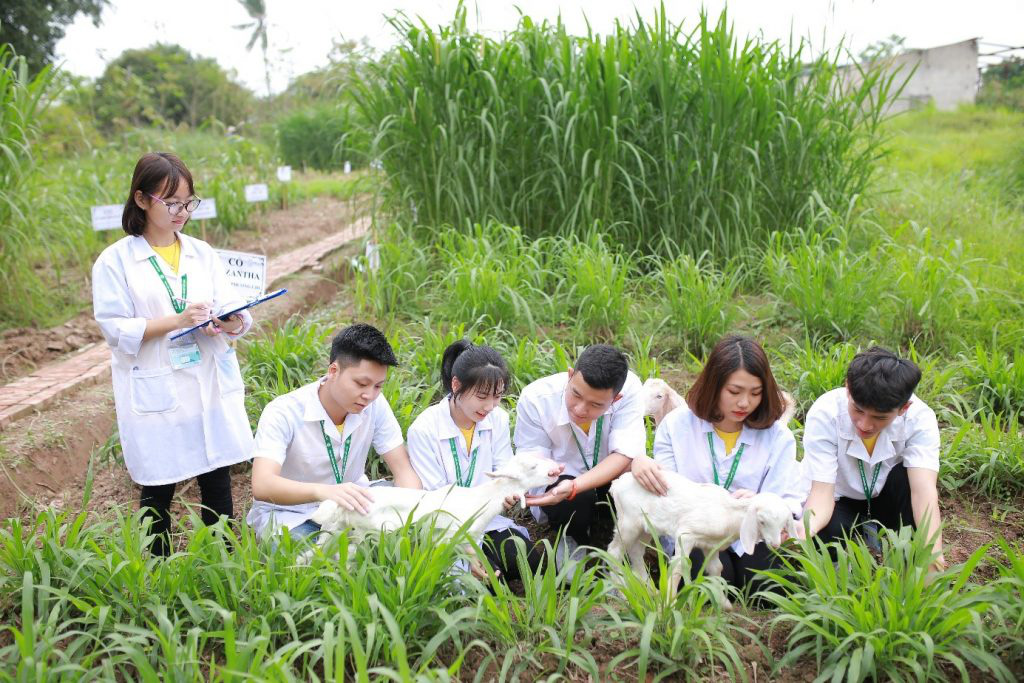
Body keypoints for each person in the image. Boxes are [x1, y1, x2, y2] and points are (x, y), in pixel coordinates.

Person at [92, 152, 253, 556]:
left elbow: (236, 309)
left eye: (188, 202)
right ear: (143, 200)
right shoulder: (116, 261)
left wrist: (231, 321)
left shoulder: (202, 252)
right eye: (172, 202)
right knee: (159, 479)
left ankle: (223, 561)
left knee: (217, 472)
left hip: (207, 376)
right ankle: (158, 569)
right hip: (157, 382)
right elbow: (115, 328)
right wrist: (176, 321)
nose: (183, 212)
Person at [631, 335, 805, 589]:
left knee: (767, 585)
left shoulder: (778, 436)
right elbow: (669, 492)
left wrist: (760, 500)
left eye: (755, 393)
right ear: (714, 385)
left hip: (754, 530)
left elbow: (788, 498)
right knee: (713, 583)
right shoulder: (677, 425)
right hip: (698, 527)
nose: (744, 403)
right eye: (734, 392)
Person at [247, 323, 422, 540]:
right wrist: (324, 491)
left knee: (399, 531)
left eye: (378, 386)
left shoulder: (375, 405)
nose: (369, 395)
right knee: (314, 561)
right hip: (293, 514)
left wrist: (411, 521)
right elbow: (263, 484)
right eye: (361, 383)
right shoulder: (284, 411)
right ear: (333, 371)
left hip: (351, 506)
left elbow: (403, 470)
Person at [407, 340, 552, 580]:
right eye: (482, 396)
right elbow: (436, 497)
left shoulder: (498, 420)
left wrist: (509, 496)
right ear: (456, 385)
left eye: (497, 396)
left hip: (488, 520)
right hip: (448, 528)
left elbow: (504, 472)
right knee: (488, 582)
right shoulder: (424, 429)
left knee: (534, 566)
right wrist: (465, 549)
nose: (490, 406)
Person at [801, 347, 945, 570]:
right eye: (857, 410)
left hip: (885, 498)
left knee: (906, 478)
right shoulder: (826, 413)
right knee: (827, 538)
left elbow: (923, 491)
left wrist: (933, 555)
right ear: (848, 388)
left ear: (903, 408)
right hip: (838, 500)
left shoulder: (919, 419)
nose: (865, 425)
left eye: (879, 417)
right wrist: (804, 531)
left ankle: (905, 560)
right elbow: (821, 492)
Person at [514, 344, 646, 563]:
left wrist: (577, 484)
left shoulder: (630, 389)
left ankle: (618, 546)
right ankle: (570, 539)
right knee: (574, 501)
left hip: (609, 476)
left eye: (596, 404)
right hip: (559, 485)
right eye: (575, 394)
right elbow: (532, 462)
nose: (580, 409)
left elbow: (624, 454)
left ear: (616, 399)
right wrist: (559, 478)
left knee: (634, 481)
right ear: (570, 375)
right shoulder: (536, 399)